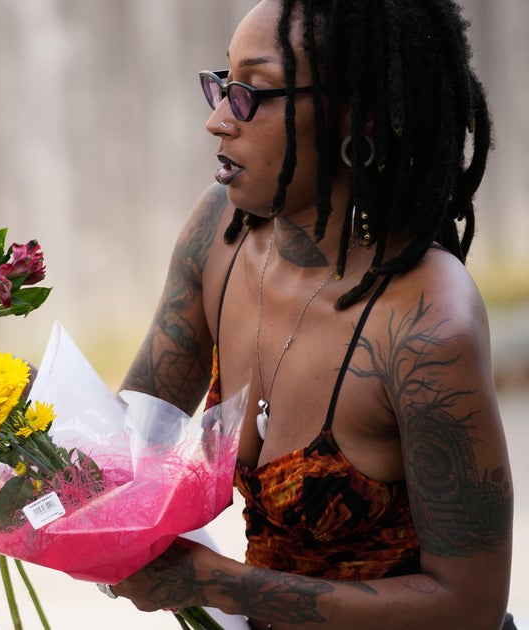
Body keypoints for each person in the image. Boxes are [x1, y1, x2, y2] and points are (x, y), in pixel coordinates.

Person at [106, 1, 515, 628]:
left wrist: (220, 585)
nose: (218, 120)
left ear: (363, 117)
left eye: (252, 93)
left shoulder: (427, 325)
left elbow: (470, 607)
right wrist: (6, 427)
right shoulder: (220, 233)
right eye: (222, 85)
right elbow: (130, 439)